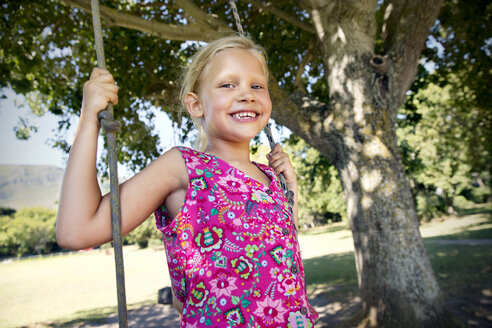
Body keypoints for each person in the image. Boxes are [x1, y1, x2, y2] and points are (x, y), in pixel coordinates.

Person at [56, 35, 318, 327]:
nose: (247, 94)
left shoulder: (269, 176)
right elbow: (77, 230)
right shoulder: (184, 167)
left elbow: (279, 252)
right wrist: (89, 118)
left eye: (257, 85)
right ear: (195, 105)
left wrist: (289, 191)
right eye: (227, 84)